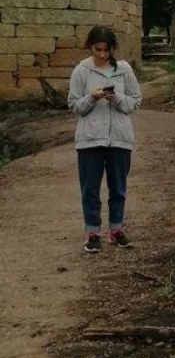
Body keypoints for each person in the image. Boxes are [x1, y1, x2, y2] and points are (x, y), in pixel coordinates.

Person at [67, 25, 142, 254]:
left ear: (112, 49)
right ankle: (92, 233)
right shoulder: (81, 71)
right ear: (90, 47)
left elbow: (136, 101)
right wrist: (91, 97)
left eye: (106, 50)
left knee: (118, 188)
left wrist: (115, 98)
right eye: (97, 49)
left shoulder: (124, 70)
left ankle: (116, 230)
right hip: (90, 139)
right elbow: (74, 105)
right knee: (90, 189)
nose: (101, 54)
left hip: (120, 138)